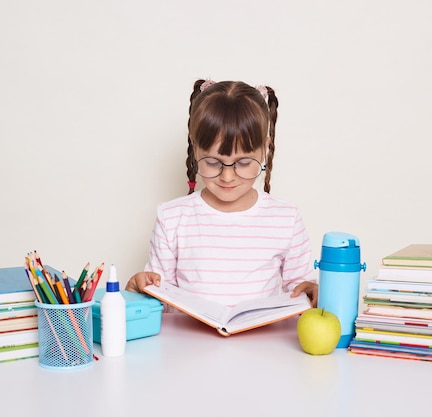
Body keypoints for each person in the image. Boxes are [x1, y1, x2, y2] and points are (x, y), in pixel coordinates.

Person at [126, 79, 318, 307]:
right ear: (195, 148)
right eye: (214, 162)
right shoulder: (172, 218)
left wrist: (312, 291)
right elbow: (159, 300)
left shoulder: (286, 218)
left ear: (265, 149)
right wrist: (139, 291)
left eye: (244, 162)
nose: (228, 177)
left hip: (262, 342)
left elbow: (299, 292)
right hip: (188, 342)